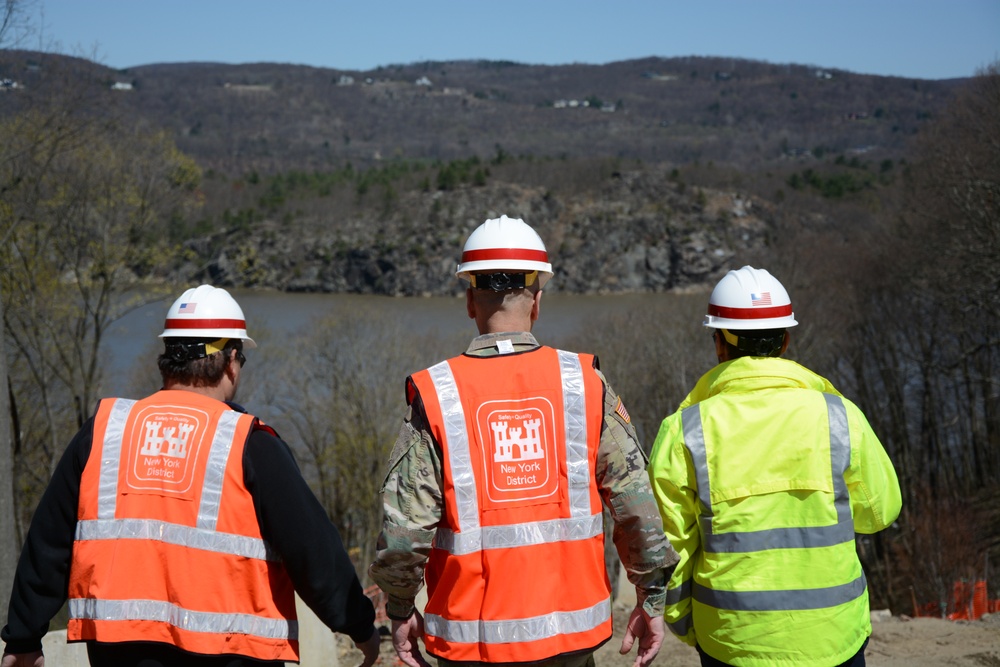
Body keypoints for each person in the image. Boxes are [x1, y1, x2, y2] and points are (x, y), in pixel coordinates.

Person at [1, 285, 381, 667]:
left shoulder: (103, 431)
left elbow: (48, 542)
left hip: (120, 652)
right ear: (231, 360)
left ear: (167, 360)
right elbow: (313, 550)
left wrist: (23, 636)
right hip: (231, 653)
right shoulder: (249, 443)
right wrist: (360, 626)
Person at [369, 215, 679, 667]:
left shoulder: (437, 394)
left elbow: (405, 531)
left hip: (471, 645)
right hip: (569, 638)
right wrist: (651, 596)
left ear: (470, 300)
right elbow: (635, 504)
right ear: (537, 299)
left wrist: (399, 610)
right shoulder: (585, 385)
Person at [647, 266, 902, 667]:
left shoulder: (685, 431)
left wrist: (688, 625)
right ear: (786, 340)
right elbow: (878, 513)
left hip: (732, 639)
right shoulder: (839, 417)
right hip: (834, 635)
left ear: (719, 343)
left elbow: (669, 551)